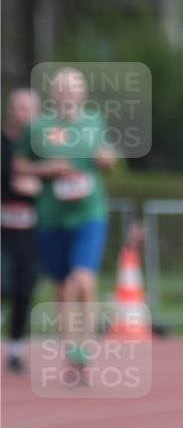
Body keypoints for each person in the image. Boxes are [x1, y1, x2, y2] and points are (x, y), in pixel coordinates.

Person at [16, 68, 116, 373]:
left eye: (74, 88)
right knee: (61, 288)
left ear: (82, 94)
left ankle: (85, 344)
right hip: (51, 217)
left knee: (83, 281)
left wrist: (105, 161)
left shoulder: (93, 121)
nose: (68, 93)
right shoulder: (37, 127)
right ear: (52, 94)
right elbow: (19, 164)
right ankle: (71, 345)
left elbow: (109, 159)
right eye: (62, 88)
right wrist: (47, 171)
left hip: (89, 213)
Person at [1, 89, 42, 372]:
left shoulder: (43, 150)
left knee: (24, 291)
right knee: (2, 285)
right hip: (2, 231)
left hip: (32, 232)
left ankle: (15, 350)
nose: (22, 113)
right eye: (18, 107)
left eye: (28, 109)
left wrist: (38, 186)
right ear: (9, 110)